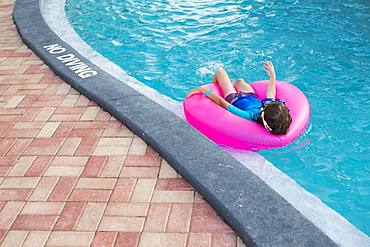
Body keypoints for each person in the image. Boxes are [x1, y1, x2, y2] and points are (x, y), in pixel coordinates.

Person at [187, 61, 292, 135]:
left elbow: (223, 103)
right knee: (239, 81)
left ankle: (215, 85)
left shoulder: (249, 115)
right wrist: (272, 76)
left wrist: (205, 90)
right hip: (251, 96)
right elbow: (271, 94)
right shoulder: (269, 107)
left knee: (220, 72)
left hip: (234, 98)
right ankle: (230, 83)